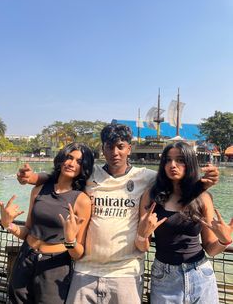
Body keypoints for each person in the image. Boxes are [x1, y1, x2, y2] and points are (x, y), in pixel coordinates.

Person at [17, 124, 219, 304]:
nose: (115, 152)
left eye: (121, 146)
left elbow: (176, 178)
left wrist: (202, 182)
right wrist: (33, 177)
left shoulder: (145, 177)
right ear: (103, 149)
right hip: (85, 269)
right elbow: (60, 176)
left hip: (126, 272)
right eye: (109, 146)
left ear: (129, 149)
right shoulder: (90, 174)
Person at [136, 141, 232, 304]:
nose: (173, 165)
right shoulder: (152, 196)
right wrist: (142, 235)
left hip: (200, 275)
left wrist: (224, 240)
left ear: (190, 163)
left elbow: (211, 249)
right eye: (168, 160)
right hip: (164, 277)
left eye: (180, 160)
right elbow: (143, 247)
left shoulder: (202, 197)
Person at [0, 142, 94, 304]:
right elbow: (28, 230)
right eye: (69, 158)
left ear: (84, 168)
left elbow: (78, 253)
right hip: (26, 258)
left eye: (79, 162)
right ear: (62, 159)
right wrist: (8, 224)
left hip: (54, 266)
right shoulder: (39, 189)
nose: (71, 163)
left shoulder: (82, 200)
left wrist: (70, 241)